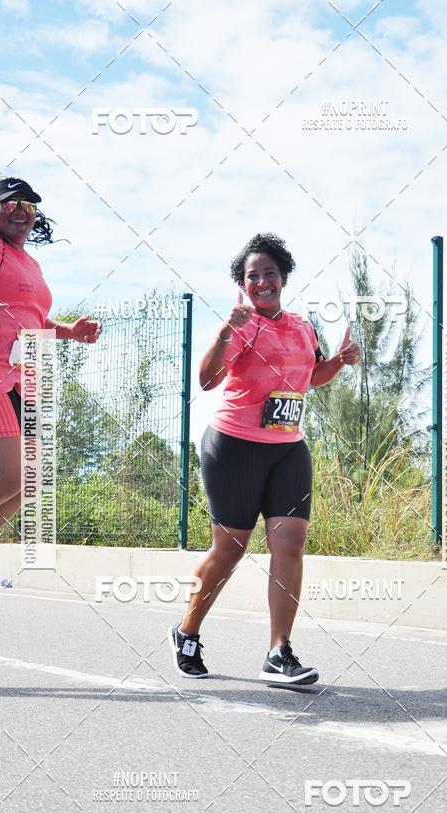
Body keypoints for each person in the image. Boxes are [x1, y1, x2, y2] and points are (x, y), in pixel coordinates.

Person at [168, 233, 361, 684]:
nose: (261, 282)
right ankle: (186, 630)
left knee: (290, 543)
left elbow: (312, 378)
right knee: (230, 550)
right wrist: (225, 331)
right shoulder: (240, 325)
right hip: (233, 448)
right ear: (243, 284)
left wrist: (340, 360)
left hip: (288, 450)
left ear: (284, 277)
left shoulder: (302, 327)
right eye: (251, 276)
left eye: (269, 273)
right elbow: (206, 380)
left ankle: (279, 652)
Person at [0, 175, 101, 609]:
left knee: (25, 483)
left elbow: (29, 319)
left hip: (19, 377)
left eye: (30, 205)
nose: (22, 209)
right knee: (7, 476)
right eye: (11, 202)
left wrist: (68, 331)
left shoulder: (28, 263)